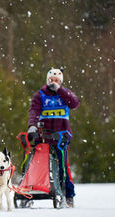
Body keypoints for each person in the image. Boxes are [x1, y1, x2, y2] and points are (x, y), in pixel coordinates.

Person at [27, 68, 80, 207]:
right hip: (43, 135)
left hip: (61, 136)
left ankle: (68, 194)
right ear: (47, 80)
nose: (53, 83)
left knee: (63, 166)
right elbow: (34, 111)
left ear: (60, 82)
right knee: (35, 163)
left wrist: (60, 90)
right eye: (51, 80)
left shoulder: (65, 94)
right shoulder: (40, 95)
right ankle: (31, 188)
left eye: (57, 81)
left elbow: (74, 103)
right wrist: (32, 126)